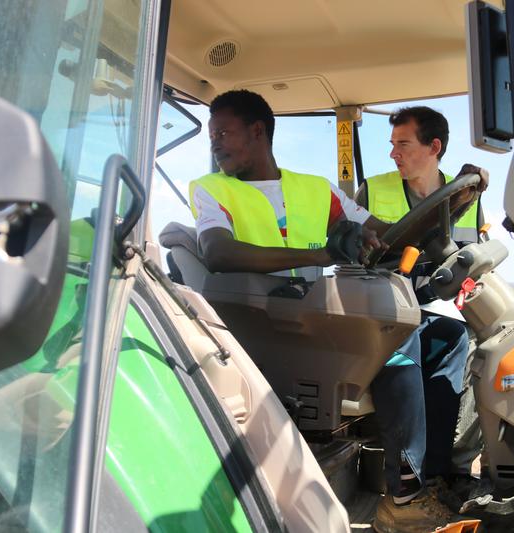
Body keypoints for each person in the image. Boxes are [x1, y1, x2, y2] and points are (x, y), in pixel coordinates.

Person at [189, 90, 473, 532]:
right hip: (264, 326)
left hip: (316, 315)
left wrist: (453, 204)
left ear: (257, 131)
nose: (216, 143)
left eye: (224, 132)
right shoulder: (211, 189)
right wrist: (323, 254)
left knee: (448, 337)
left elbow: (381, 231)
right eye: (213, 135)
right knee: (401, 334)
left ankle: (428, 474)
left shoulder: (316, 190)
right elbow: (219, 252)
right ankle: (402, 496)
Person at [355, 106, 488, 497]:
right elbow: (361, 255)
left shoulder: (464, 191)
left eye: (403, 144)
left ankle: (442, 470)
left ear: (434, 147)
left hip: (439, 305)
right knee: (411, 337)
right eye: (392, 144)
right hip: (385, 306)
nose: (394, 153)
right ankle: (409, 484)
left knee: (457, 339)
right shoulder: (374, 189)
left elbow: (471, 253)